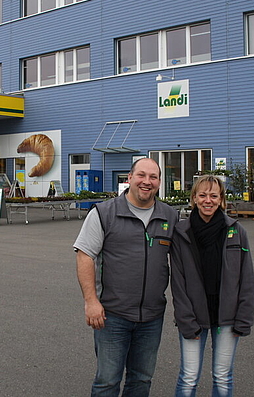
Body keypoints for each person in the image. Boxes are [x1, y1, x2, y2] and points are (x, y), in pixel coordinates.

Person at [74, 158, 179, 397]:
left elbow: (186, 262)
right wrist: (91, 302)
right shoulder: (104, 213)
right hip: (112, 316)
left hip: (152, 317)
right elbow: (84, 256)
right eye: (141, 175)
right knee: (107, 381)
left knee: (141, 380)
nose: (147, 182)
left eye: (153, 177)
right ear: (129, 178)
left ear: (159, 182)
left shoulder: (169, 216)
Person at [170, 175, 254, 397]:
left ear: (221, 200)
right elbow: (177, 282)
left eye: (214, 196)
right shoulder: (181, 233)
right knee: (188, 377)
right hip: (194, 316)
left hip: (227, 316)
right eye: (203, 195)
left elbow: (247, 279)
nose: (208, 200)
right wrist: (185, 320)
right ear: (194, 199)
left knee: (223, 376)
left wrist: (244, 319)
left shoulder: (236, 231)